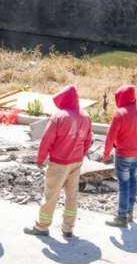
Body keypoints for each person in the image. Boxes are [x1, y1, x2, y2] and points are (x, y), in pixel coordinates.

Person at [24, 85, 93, 238]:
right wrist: (80, 154)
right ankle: (68, 228)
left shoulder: (59, 117)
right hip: (76, 162)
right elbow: (88, 140)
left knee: (51, 195)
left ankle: (42, 226)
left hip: (59, 162)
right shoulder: (85, 116)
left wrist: (40, 158)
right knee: (72, 196)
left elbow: (47, 140)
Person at [102, 85, 137, 228]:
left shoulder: (120, 114)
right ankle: (129, 213)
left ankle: (121, 217)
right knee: (133, 182)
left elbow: (110, 136)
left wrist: (106, 153)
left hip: (123, 154)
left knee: (123, 185)